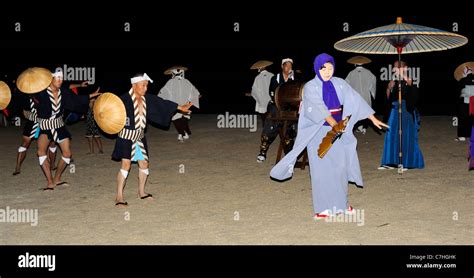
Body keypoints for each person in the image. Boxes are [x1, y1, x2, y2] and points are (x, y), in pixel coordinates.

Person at [270, 53, 388, 219]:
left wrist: (373, 118)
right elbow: (321, 110)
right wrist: (335, 125)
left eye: (330, 68)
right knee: (321, 171)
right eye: (323, 68)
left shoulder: (339, 83)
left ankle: (342, 204)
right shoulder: (310, 87)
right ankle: (323, 208)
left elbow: (355, 99)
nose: (327, 71)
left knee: (340, 169)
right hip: (318, 133)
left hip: (338, 131)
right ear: (317, 69)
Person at [112, 73, 192, 207]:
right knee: (126, 165)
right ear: (134, 85)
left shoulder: (146, 99)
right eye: (143, 85)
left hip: (139, 137)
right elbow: (111, 112)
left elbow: (162, 103)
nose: (145, 88)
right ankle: (119, 196)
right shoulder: (123, 100)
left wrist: (180, 107)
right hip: (126, 137)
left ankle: (141, 192)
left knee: (144, 165)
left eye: (147, 85)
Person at [32, 69, 101, 190]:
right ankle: (49, 181)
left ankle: (57, 178)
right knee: (41, 152)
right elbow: (33, 100)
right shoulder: (41, 93)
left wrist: (90, 96)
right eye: (57, 77)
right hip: (45, 126)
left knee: (67, 153)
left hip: (59, 125)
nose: (60, 80)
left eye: (61, 77)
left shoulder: (63, 92)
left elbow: (76, 100)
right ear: (50, 79)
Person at [379, 60, 424, 170]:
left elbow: (414, 93)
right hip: (394, 111)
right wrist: (389, 88)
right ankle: (390, 162)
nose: (394, 69)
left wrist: (404, 77)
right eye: (394, 67)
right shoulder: (393, 79)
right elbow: (388, 98)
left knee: (405, 136)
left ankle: (407, 163)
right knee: (391, 135)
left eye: (397, 67)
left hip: (405, 111)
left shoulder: (410, 79)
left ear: (405, 68)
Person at [257, 58, 297, 163]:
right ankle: (262, 152)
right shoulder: (275, 78)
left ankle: (289, 155)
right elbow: (274, 93)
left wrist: (291, 79)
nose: (289, 68)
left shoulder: (294, 79)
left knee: (290, 131)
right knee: (269, 128)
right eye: (287, 66)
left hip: (288, 108)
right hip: (276, 106)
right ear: (282, 67)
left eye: (290, 66)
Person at [159, 66, 200, 142]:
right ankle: (182, 133)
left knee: (184, 119)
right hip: (175, 104)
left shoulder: (186, 81)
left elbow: (193, 90)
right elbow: (164, 92)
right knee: (175, 119)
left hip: (185, 104)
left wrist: (195, 96)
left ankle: (181, 134)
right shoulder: (170, 82)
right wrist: (161, 99)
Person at [345, 56, 376, 134]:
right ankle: (363, 127)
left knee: (355, 112)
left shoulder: (351, 73)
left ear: (355, 64)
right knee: (365, 112)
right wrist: (372, 92)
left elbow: (346, 84)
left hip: (355, 97)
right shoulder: (368, 72)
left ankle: (359, 127)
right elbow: (373, 80)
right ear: (363, 63)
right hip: (365, 95)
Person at [250, 61, 274, 127]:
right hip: (271, 99)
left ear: (261, 68)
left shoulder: (257, 77)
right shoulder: (272, 75)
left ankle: (264, 126)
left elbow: (254, 90)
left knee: (263, 115)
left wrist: (258, 99)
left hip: (262, 99)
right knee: (271, 114)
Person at [456, 65, 474, 141]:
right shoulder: (465, 80)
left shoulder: (463, 80)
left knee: (462, 118)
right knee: (471, 118)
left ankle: (462, 136)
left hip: (466, 102)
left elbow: (459, 90)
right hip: (471, 102)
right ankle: (470, 135)